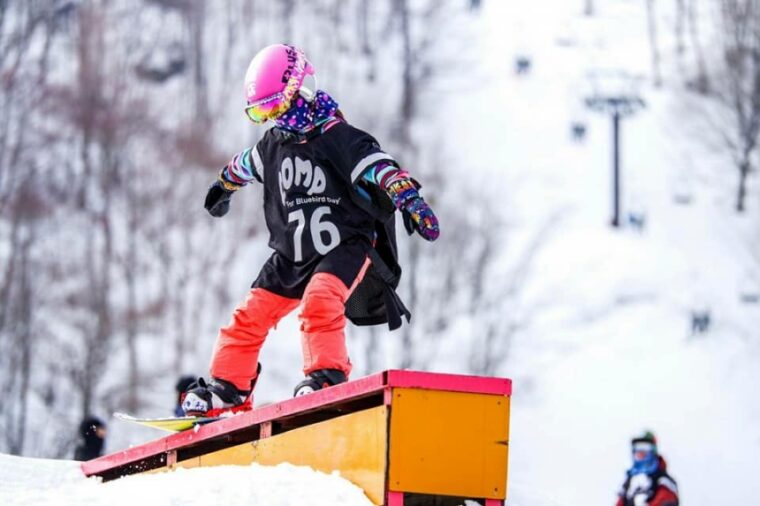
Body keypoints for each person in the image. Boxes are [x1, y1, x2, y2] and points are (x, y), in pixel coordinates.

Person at [181, 44, 439, 417]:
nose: (273, 118)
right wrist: (224, 185)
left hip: (343, 244)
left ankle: (326, 376)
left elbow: (381, 168)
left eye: (275, 107)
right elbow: (245, 164)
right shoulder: (273, 145)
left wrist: (408, 198)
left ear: (299, 91)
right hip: (292, 251)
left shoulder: (342, 139)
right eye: (262, 113)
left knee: (320, 301)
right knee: (250, 315)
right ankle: (228, 388)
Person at [616, 431, 679, 506]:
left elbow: (665, 500)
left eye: (645, 447)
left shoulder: (664, 481)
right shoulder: (629, 482)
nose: (640, 453)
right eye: (637, 448)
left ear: (653, 451)